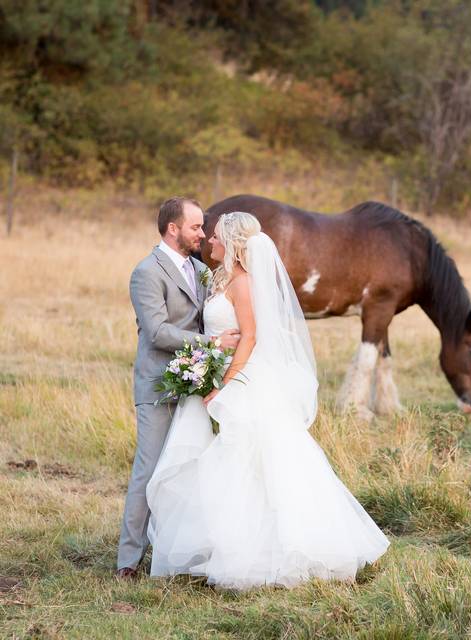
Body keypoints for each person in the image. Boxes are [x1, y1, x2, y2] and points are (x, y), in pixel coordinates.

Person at [145, 211, 389, 589]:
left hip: (241, 378)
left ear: (231, 242)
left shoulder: (242, 282)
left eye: (215, 237)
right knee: (224, 460)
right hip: (219, 371)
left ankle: (262, 551)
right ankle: (219, 541)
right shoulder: (220, 277)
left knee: (252, 460)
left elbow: (251, 336)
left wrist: (224, 385)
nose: (209, 241)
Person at [118, 197, 240, 578]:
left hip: (197, 383)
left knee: (191, 466)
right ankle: (128, 560)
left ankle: (179, 551)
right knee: (149, 469)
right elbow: (155, 332)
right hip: (159, 384)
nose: (202, 234)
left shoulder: (201, 271)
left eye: (203, 228)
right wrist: (212, 345)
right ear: (173, 229)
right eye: (195, 228)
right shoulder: (146, 272)